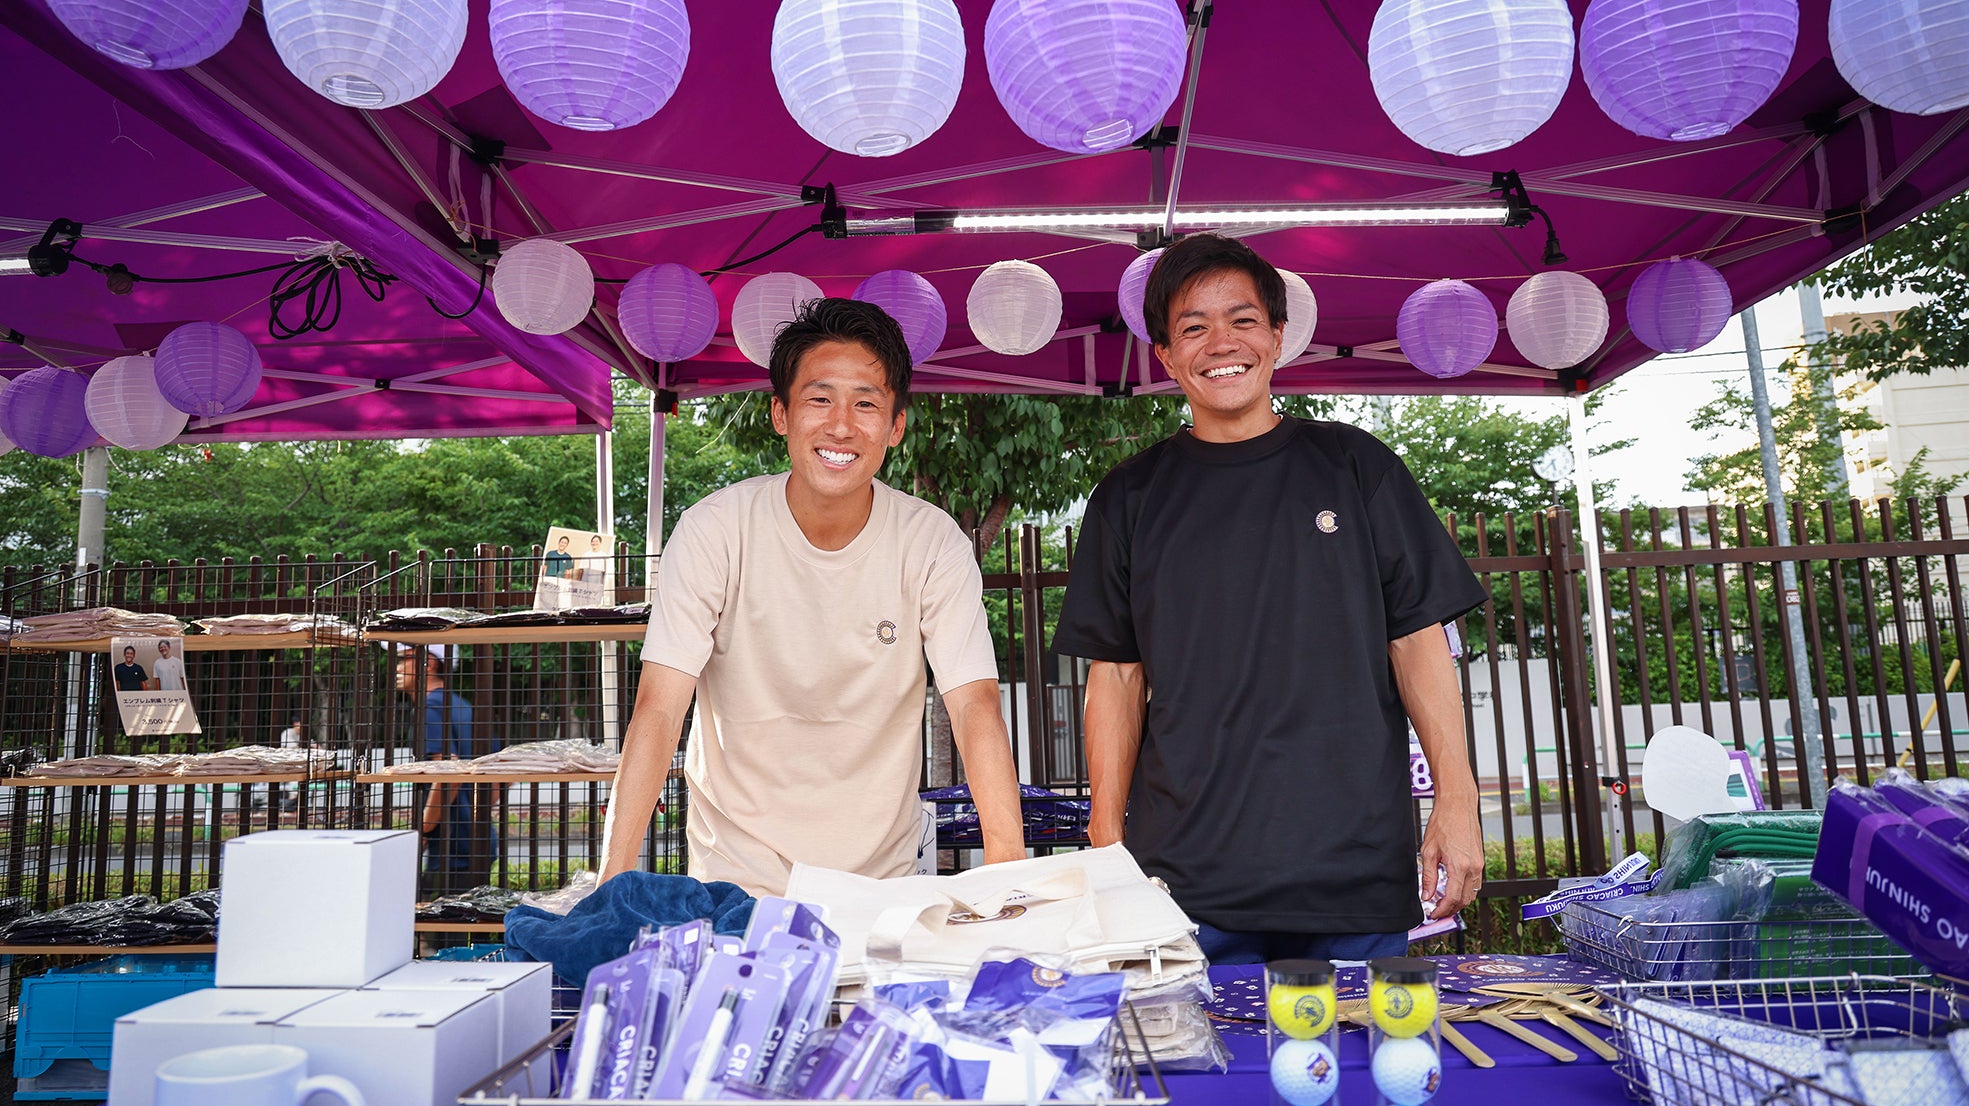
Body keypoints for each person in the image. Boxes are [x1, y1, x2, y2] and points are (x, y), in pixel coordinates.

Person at [1050, 232, 1488, 965]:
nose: (1221, 342)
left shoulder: (1356, 467)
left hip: (1351, 876)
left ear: (1277, 336)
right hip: (1183, 885)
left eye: (1242, 319)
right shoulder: (1129, 497)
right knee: (1200, 1076)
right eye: (1193, 326)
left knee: (1363, 1076)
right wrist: (1103, 841)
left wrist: (1458, 800)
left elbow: (1417, 641)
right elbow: (1115, 676)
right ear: (1164, 356)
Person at [600, 297, 1025, 895]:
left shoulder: (932, 542)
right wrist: (611, 881)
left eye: (866, 402)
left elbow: (974, 702)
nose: (842, 425)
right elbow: (660, 707)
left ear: (896, 425)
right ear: (780, 413)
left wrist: (1008, 866)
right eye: (819, 398)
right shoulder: (715, 529)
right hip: (734, 884)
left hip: (879, 887)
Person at [394, 645, 494, 895]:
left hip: (449, 844)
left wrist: (424, 828)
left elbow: (450, 770)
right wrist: (476, 813)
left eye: (403, 659)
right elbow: (500, 771)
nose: (396, 668)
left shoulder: (430, 708)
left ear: (430, 662)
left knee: (436, 928)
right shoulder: (463, 706)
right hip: (479, 839)